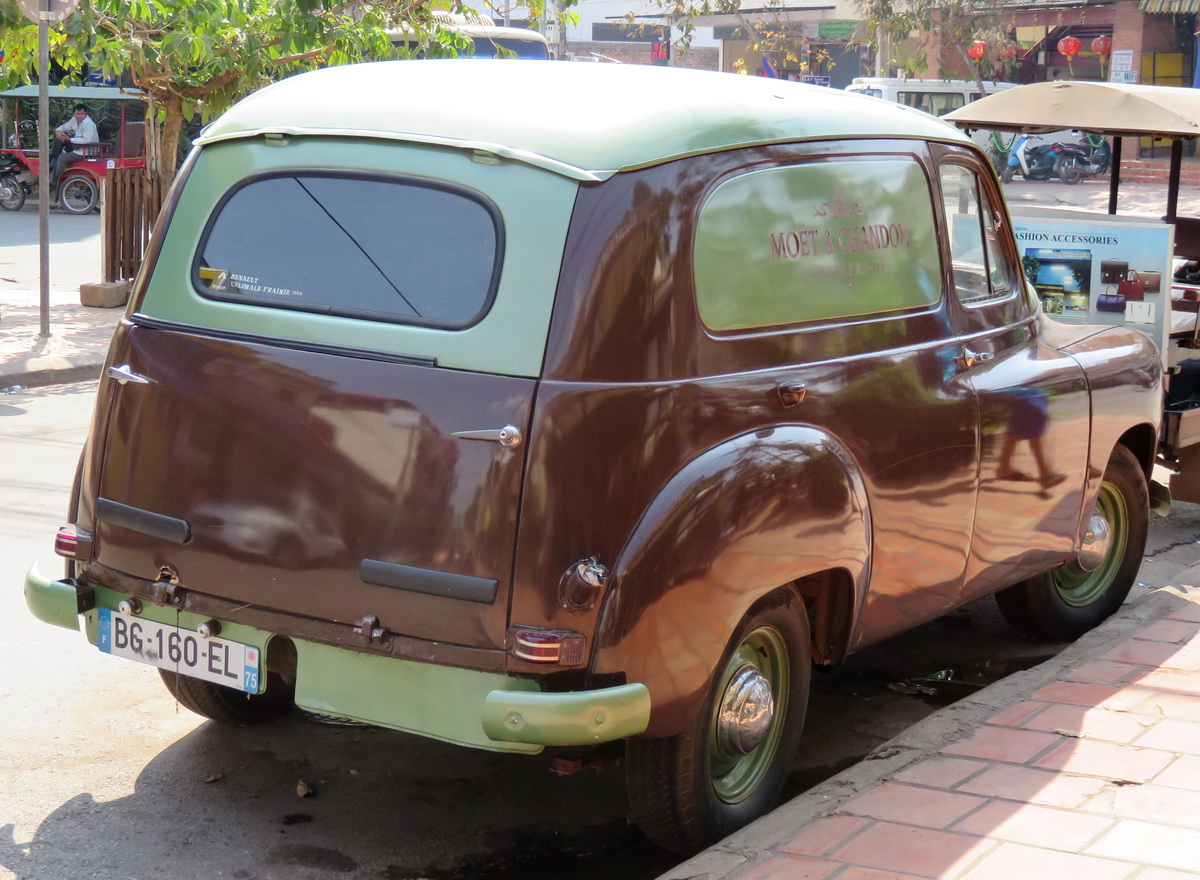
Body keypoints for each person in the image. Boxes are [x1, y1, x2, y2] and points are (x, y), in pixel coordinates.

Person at [48, 104, 98, 196]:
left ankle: (53, 183)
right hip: (77, 145)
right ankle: (53, 162)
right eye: (77, 114)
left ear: (86, 114)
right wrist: (58, 132)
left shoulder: (88, 124)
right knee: (59, 139)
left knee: (62, 158)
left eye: (81, 114)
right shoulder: (74, 120)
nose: (79, 116)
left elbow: (87, 140)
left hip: (86, 150)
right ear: (74, 114)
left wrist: (70, 139)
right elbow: (65, 126)